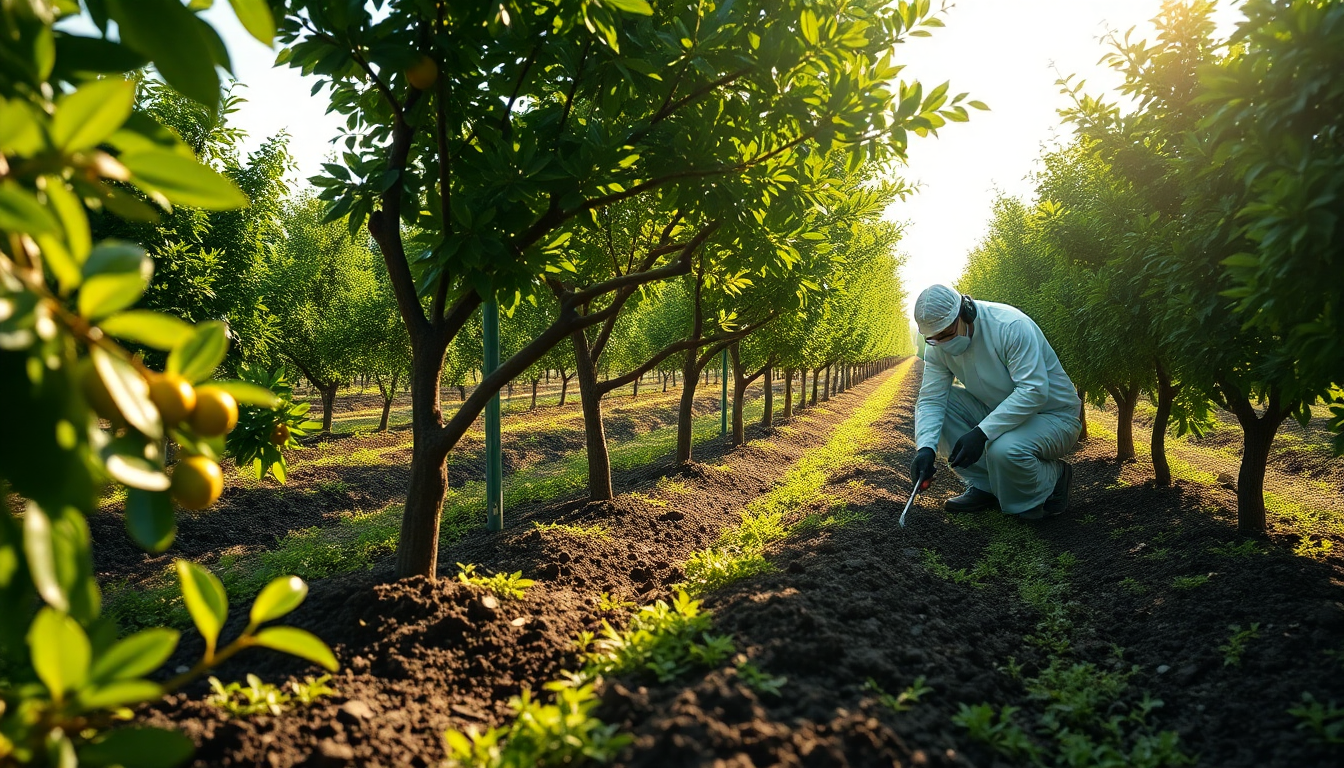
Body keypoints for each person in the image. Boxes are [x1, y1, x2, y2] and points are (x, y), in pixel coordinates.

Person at [908, 285, 1082, 520]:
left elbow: (1033, 391)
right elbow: (931, 399)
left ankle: (1052, 479)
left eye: (948, 334)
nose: (944, 343)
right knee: (943, 405)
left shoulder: (1010, 326)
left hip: (1053, 417)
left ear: (966, 312)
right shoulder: (938, 346)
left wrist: (982, 433)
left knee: (1004, 450)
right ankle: (986, 485)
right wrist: (926, 448)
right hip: (998, 411)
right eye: (935, 339)